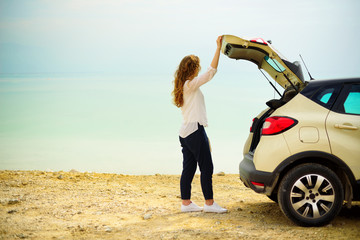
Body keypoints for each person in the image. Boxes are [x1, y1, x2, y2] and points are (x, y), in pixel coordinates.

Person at [172, 36, 227, 213]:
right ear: (193, 69)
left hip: (185, 132)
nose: (199, 70)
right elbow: (211, 72)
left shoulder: (183, 85)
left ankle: (186, 203)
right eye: (197, 67)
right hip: (194, 131)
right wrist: (218, 48)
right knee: (206, 167)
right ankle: (209, 204)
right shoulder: (190, 85)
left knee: (188, 167)